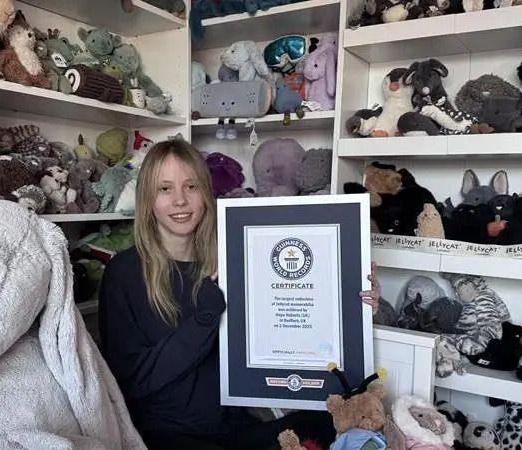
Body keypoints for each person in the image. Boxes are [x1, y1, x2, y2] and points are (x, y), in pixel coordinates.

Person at [98, 140, 381, 450]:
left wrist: (352, 299)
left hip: (236, 428)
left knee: (339, 421)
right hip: (166, 436)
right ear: (147, 198)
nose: (180, 200)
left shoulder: (233, 258)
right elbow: (130, 381)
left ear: (205, 193)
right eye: (165, 189)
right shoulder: (124, 272)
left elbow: (288, 319)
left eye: (191, 186)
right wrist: (204, 319)